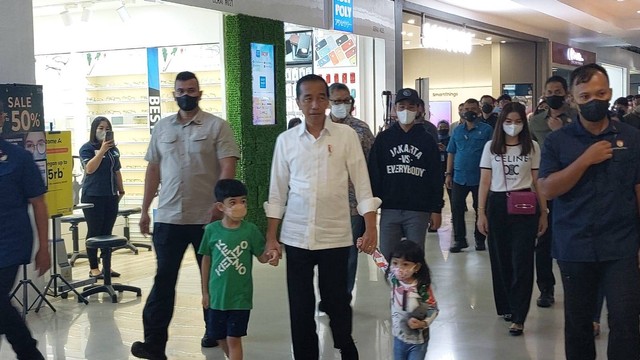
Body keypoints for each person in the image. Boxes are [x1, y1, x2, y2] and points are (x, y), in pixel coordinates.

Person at [264, 74, 380, 360]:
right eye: (308, 98)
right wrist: (271, 238)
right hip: (296, 236)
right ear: (298, 103)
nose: (315, 104)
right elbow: (277, 192)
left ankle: (344, 342)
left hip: (336, 235)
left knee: (337, 301)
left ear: (327, 101)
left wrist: (370, 227)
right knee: (301, 307)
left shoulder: (346, 136)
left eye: (320, 97)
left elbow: (362, 184)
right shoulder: (286, 141)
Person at [131, 71, 240, 360]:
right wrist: (144, 209)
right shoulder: (163, 128)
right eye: (181, 90)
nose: (186, 95)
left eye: (191, 90)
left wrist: (222, 208)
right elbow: (153, 170)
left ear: (200, 93)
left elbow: (227, 169)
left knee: (213, 282)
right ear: (174, 94)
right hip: (168, 218)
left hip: (208, 220)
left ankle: (213, 333)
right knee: (163, 281)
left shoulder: (218, 127)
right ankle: (154, 344)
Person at [538, 63, 640, 360]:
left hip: (621, 245)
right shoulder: (558, 141)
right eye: (584, 96)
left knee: (625, 322)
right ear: (572, 99)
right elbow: (547, 188)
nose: (594, 101)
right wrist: (584, 160)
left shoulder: (632, 138)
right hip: (575, 245)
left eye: (601, 93)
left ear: (609, 93)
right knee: (579, 325)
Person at [476, 102, 548, 336]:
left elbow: (538, 182)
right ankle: (506, 305)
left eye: (518, 121)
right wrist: (481, 212)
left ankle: (519, 315)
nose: (513, 126)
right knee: (500, 258)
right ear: (501, 123)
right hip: (497, 205)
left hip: (525, 205)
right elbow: (485, 181)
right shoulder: (491, 147)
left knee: (523, 261)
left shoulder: (532, 147)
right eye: (508, 121)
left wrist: (544, 212)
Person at [198, 179, 278, 360]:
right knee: (218, 336)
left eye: (243, 201)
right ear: (221, 206)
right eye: (233, 203)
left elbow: (262, 256)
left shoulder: (250, 231)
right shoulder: (211, 231)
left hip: (240, 298)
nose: (239, 206)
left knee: (234, 339)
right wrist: (205, 292)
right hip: (217, 297)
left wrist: (271, 256)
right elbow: (206, 261)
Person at [0, 100, 50, 360]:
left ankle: (29, 354)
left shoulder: (19, 158)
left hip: (10, 244)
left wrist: (45, 247)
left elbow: (39, 204)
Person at [368, 88, 443, 260]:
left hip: (418, 209)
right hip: (389, 208)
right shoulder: (384, 139)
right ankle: (395, 288)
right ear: (395, 109)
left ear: (419, 109)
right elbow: (374, 172)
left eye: (411, 106)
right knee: (387, 258)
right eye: (401, 106)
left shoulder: (427, 139)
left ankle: (414, 289)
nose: (406, 111)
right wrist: (373, 206)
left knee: (414, 260)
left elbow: (435, 176)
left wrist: (436, 209)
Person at [528, 75, 577, 308]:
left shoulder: (577, 119)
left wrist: (561, 132)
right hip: (544, 189)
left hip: (573, 188)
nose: (553, 95)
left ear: (566, 94)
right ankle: (545, 289)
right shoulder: (535, 122)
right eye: (549, 92)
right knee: (544, 241)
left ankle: (576, 287)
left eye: (557, 91)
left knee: (572, 240)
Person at [328, 82, 375, 298]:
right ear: (328, 102)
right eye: (336, 101)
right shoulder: (319, 128)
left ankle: (343, 295)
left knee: (349, 252)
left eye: (345, 100)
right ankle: (329, 294)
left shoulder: (361, 129)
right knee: (326, 252)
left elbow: (372, 164)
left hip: (353, 203)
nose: (341, 105)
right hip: (326, 202)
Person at [79, 116, 125, 279]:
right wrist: (102, 151)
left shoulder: (114, 149)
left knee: (107, 232)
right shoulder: (87, 148)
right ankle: (93, 267)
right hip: (93, 196)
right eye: (100, 128)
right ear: (94, 130)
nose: (104, 131)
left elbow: (116, 170)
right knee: (94, 231)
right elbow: (89, 169)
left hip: (110, 195)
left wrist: (121, 189)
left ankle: (107, 266)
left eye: (107, 128)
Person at [446, 98, 492, 252]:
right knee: (456, 208)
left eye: (472, 108)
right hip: (459, 177)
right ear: (462, 111)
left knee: (481, 208)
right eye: (466, 109)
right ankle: (460, 240)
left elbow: (492, 153)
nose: (469, 111)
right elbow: (451, 152)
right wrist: (448, 174)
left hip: (480, 177)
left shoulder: (486, 130)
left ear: (479, 111)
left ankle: (480, 239)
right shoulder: (457, 130)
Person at [387, 240, 438, 360]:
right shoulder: (394, 280)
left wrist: (423, 323)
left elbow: (433, 308)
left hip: (418, 341)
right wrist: (371, 250)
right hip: (398, 337)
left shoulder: (422, 288)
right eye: (395, 263)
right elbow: (381, 264)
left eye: (405, 264)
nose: (399, 269)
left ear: (417, 267)